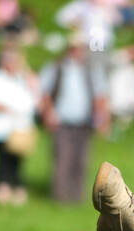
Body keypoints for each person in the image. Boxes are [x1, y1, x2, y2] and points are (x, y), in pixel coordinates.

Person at [39, 35, 108, 203]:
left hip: (83, 122)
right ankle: (61, 196)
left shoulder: (90, 70)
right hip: (61, 121)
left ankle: (76, 196)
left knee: (81, 161)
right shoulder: (56, 67)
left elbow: (99, 96)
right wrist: (48, 114)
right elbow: (45, 93)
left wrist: (101, 119)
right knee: (62, 159)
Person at [0, 46, 37, 206]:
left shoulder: (20, 79)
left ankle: (17, 188)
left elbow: (34, 90)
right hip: (1, 128)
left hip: (19, 128)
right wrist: (6, 109)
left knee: (17, 161)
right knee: (3, 160)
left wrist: (24, 69)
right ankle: (3, 188)